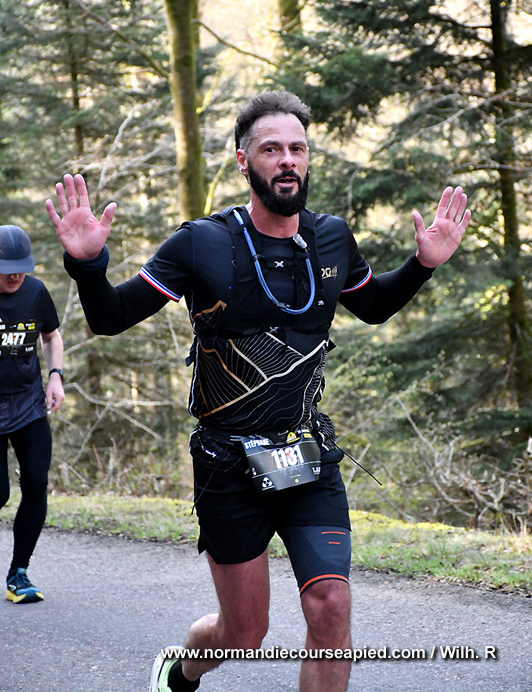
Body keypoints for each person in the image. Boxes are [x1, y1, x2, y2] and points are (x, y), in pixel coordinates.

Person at [46, 90, 470, 692]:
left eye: (298, 148)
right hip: (227, 461)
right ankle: (182, 668)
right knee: (244, 633)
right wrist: (89, 266)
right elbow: (112, 317)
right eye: (271, 149)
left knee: (331, 608)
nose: (287, 159)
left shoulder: (332, 238)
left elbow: (373, 305)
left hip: (305, 452)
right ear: (244, 161)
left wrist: (422, 265)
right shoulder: (202, 243)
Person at [0, 224, 65, 603]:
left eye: (21, 268)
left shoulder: (35, 291)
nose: (14, 276)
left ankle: (18, 573)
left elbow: (50, 336)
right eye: (6, 269)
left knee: (36, 484)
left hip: (28, 404)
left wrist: (55, 376)